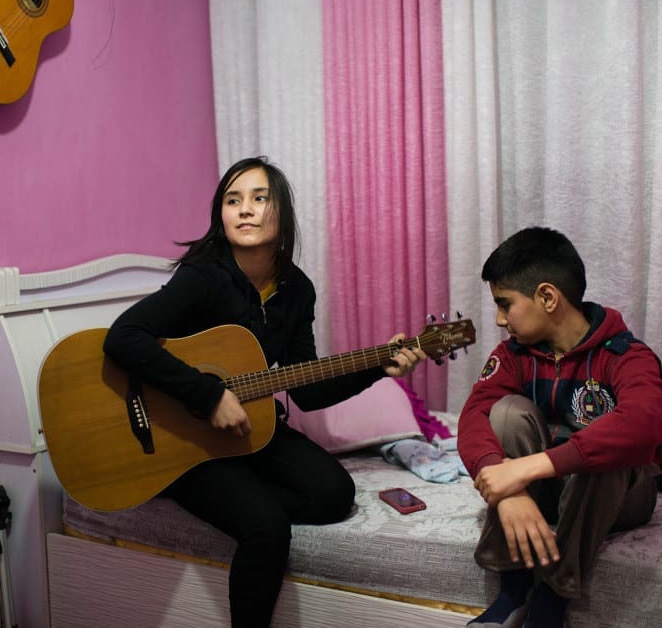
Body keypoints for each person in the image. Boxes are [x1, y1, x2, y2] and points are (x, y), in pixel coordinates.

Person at [102, 156, 425, 627]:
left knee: (335, 494)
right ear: (220, 214)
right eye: (233, 200)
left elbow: (307, 388)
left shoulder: (298, 290)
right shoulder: (203, 277)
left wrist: (378, 366)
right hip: (186, 439)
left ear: (282, 214)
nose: (245, 210)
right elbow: (123, 336)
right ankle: (187, 488)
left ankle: (239, 498)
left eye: (259, 199)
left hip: (249, 427)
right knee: (266, 527)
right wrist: (208, 396)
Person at [458, 227, 662, 628]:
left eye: (505, 304)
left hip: (619, 496)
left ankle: (553, 595)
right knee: (505, 413)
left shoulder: (626, 354)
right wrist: (509, 490)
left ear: (547, 297)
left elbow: (644, 425)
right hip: (549, 491)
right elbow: (474, 417)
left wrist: (527, 468)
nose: (500, 321)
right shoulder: (514, 355)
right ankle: (513, 588)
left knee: (609, 439)